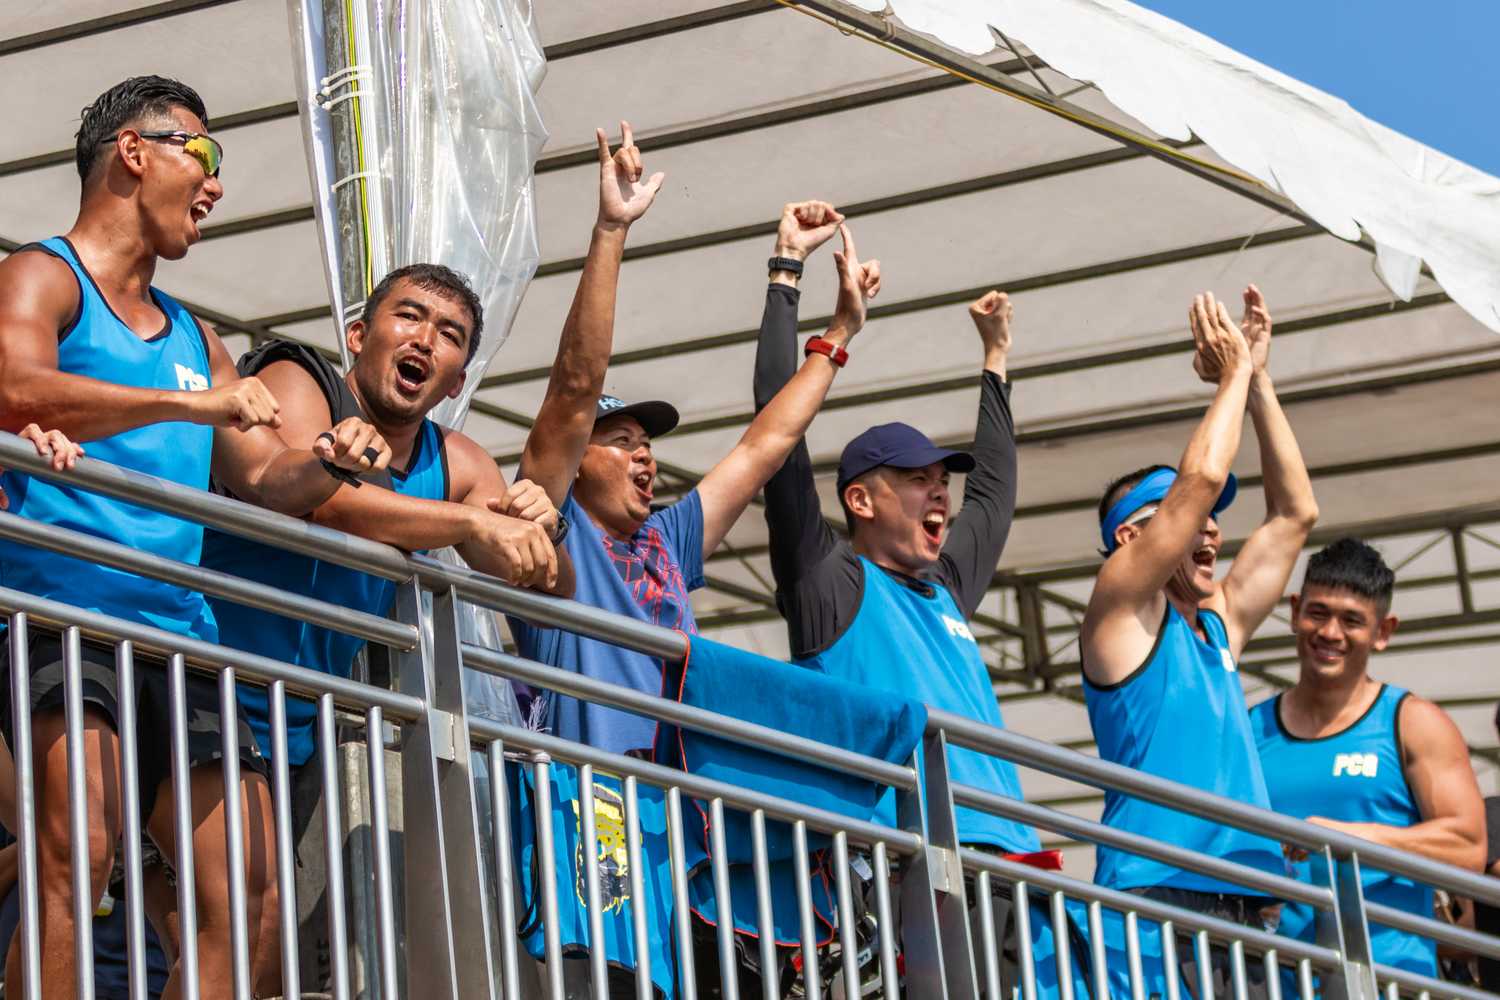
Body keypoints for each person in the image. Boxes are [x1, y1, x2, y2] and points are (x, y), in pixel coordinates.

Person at [0, 76, 391, 999]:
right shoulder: (42, 275)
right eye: (204, 155)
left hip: (181, 637)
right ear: (134, 152)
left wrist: (333, 461)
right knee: (78, 859)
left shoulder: (194, 334)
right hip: (64, 612)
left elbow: (264, 479)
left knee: (253, 902)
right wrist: (188, 404)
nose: (216, 184)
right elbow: (16, 389)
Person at [189, 260, 568, 987]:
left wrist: (541, 527)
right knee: (238, 926)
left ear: (456, 382)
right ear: (359, 335)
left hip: (296, 732)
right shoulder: (301, 380)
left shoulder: (454, 459)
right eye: (409, 316)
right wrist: (468, 523)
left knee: (251, 950)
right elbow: (323, 503)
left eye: (449, 334)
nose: (425, 338)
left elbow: (535, 575)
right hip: (199, 687)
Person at [753, 202, 1068, 996]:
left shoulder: (945, 589)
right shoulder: (832, 584)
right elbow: (777, 440)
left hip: (1008, 865)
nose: (941, 496)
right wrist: (789, 277)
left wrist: (995, 361)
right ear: (861, 500)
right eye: (919, 481)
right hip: (905, 864)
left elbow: (993, 494)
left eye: (941, 482)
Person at [508, 164, 879, 759]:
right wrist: (611, 229)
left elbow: (764, 446)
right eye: (623, 440)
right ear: (575, 462)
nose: (644, 455)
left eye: (648, 444)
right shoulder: (553, 525)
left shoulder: (667, 538)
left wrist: (838, 331)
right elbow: (575, 387)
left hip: (681, 802)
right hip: (590, 793)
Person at [1080, 287, 1319, 995]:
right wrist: (1231, 373)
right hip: (1157, 893)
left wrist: (1260, 379)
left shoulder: (1216, 626)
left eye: (1215, 517)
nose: (1211, 526)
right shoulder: (1122, 608)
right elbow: (1204, 475)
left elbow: (1296, 514)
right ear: (1132, 536)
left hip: (1248, 902)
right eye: (1192, 516)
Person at [1252, 538, 1485, 977]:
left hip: (1390, 982)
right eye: (1318, 612)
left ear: (1383, 631)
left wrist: (1348, 841)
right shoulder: (1250, 730)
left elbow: (1468, 847)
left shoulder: (1413, 722)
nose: (1330, 632)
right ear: (1295, 611)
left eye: (1352, 620)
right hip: (1275, 982)